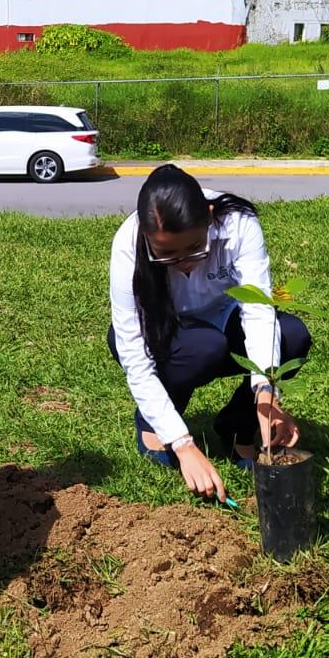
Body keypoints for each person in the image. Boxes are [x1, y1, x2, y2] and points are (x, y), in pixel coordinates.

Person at [107, 165, 314, 502]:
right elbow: (134, 353)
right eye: (167, 255)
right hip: (166, 331)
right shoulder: (128, 246)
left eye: (194, 248)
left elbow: (259, 309)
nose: (185, 263)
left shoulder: (239, 224)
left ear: (209, 215)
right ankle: (154, 423)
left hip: (224, 314)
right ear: (146, 237)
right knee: (205, 347)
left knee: (292, 336)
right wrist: (184, 444)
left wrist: (266, 391)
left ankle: (239, 426)